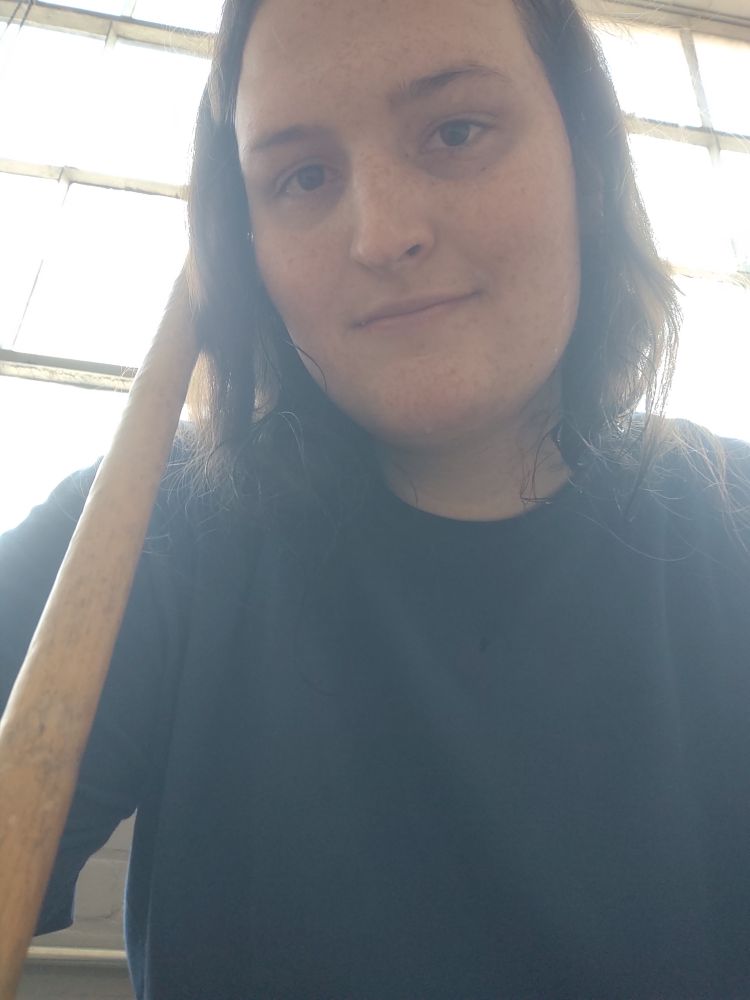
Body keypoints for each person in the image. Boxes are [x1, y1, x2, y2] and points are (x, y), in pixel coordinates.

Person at [1, 0, 749, 996]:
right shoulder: (146, 527)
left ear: (590, 167)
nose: (383, 233)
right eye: (302, 176)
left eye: (457, 131)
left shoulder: (736, 524)